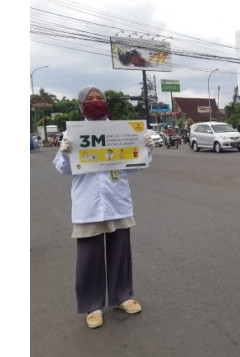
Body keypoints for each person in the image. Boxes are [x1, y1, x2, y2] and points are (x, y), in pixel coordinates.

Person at [52, 85, 155, 329]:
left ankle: (123, 297)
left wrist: (146, 149)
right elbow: (63, 169)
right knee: (89, 257)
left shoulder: (123, 131)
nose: (96, 101)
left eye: (100, 98)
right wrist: (64, 152)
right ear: (81, 104)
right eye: (90, 99)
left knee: (120, 252)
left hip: (116, 200)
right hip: (88, 204)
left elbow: (135, 167)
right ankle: (92, 305)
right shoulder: (73, 132)